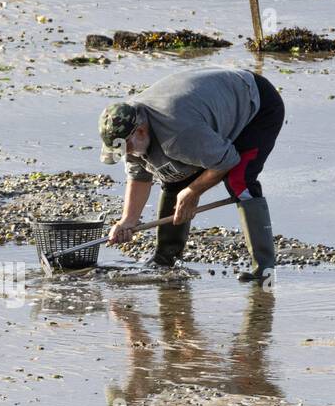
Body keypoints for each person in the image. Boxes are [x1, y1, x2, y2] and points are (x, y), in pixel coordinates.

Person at [98, 67, 284, 283]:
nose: (127, 154)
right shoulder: (131, 127)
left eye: (127, 148)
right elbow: (139, 175)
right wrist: (127, 221)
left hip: (256, 105)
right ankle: (165, 259)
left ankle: (264, 269)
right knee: (171, 174)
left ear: (141, 131)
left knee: (239, 180)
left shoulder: (179, 134)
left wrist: (193, 191)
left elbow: (227, 160)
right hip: (207, 109)